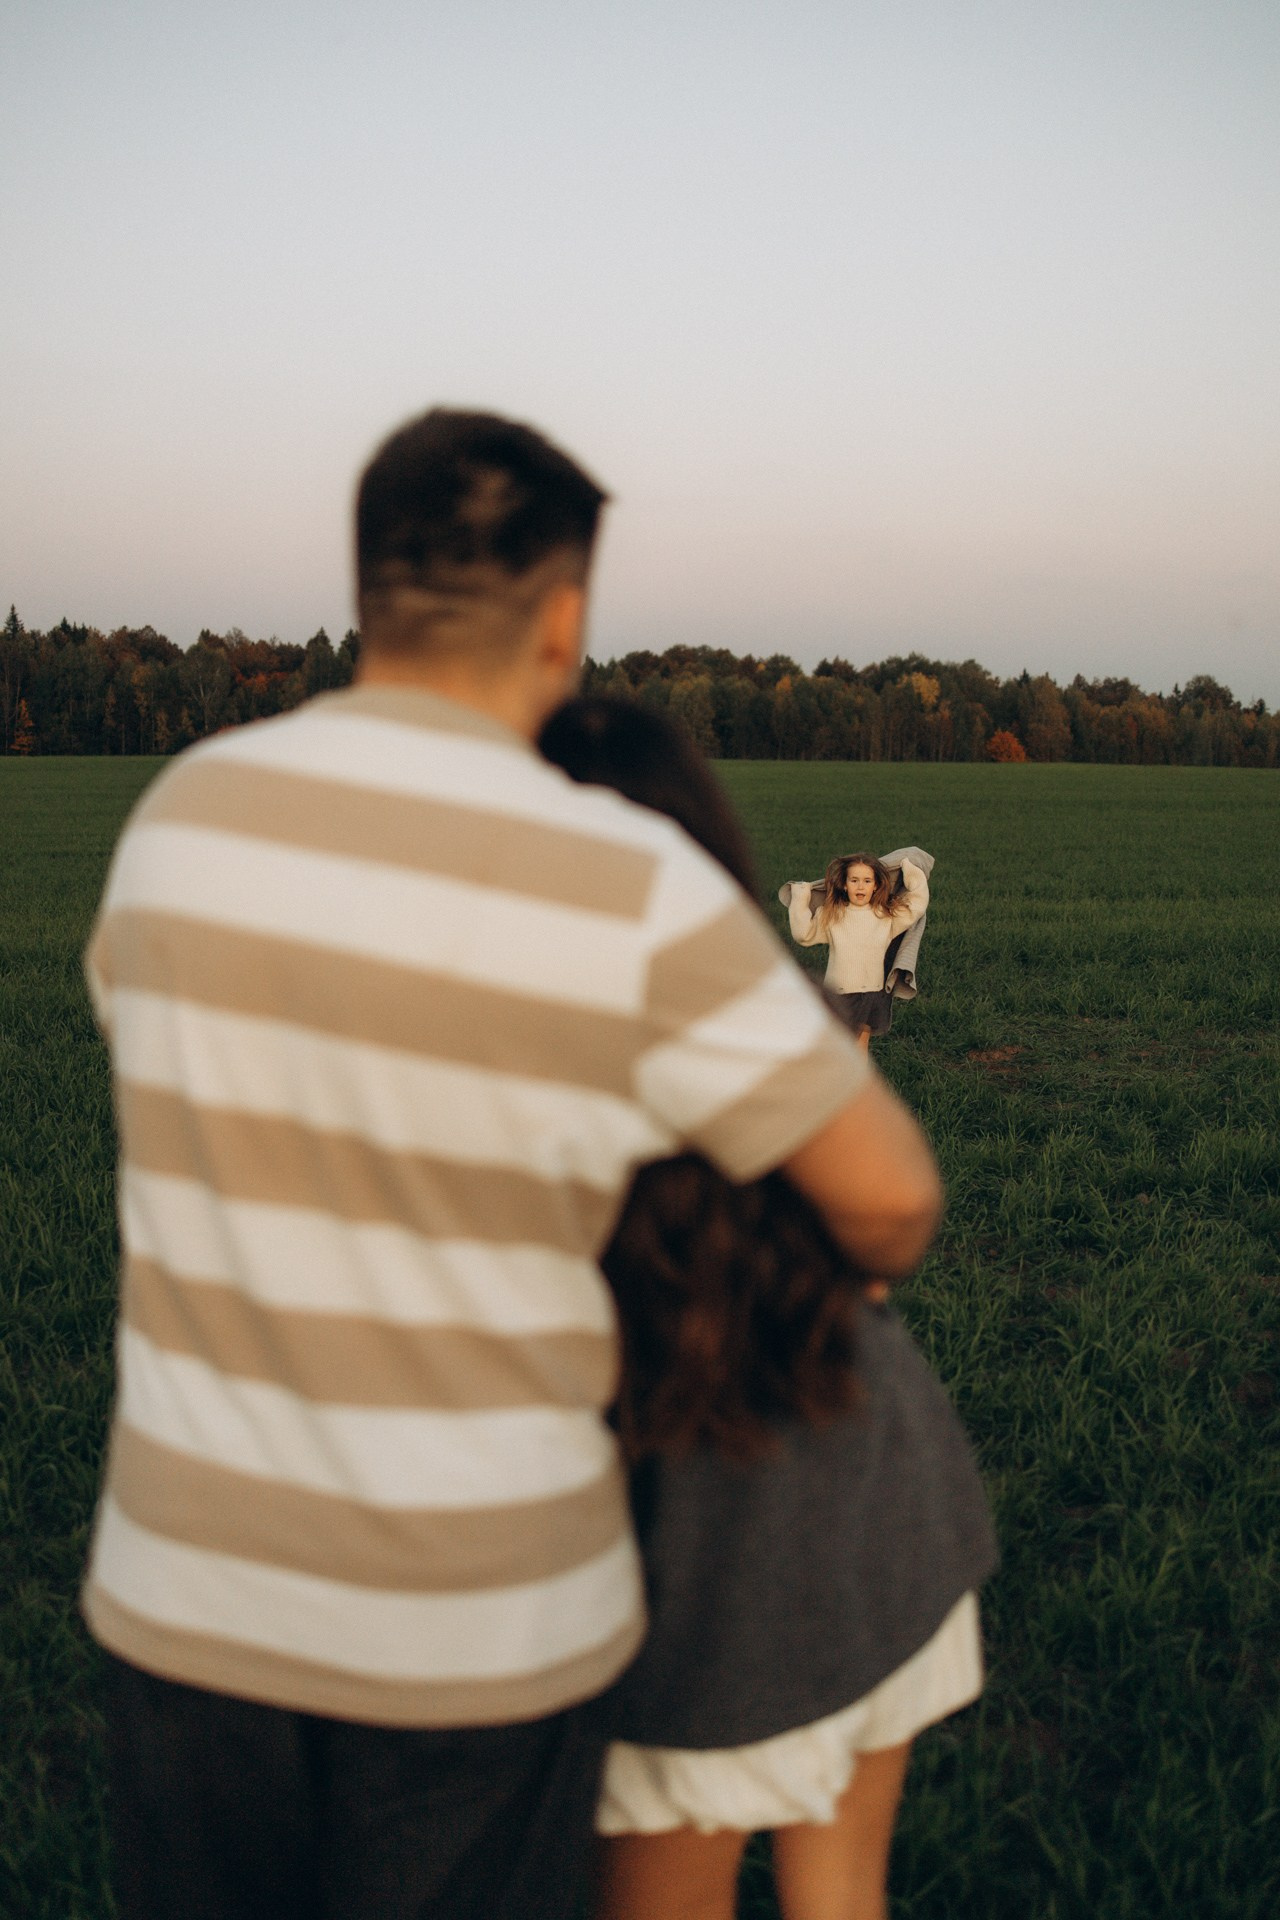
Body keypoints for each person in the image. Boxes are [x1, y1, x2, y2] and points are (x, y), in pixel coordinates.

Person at [81, 408, 942, 1920]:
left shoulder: (178, 821)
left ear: (369, 595)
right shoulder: (632, 885)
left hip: (184, 1601)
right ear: (565, 613)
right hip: (472, 1626)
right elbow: (889, 1199)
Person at [538, 698, 995, 1920]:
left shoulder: (505, 1053)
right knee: (838, 1895)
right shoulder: (748, 1020)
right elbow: (894, 1221)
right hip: (876, 1506)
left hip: (696, 1585)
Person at [786, 853, 929, 1047]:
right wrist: (800, 899)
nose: (860, 886)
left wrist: (911, 871)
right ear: (845, 885)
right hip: (841, 994)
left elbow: (917, 904)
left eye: (867, 881)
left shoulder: (886, 916)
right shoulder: (832, 914)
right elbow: (804, 934)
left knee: (861, 1045)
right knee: (839, 1047)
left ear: (876, 885)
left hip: (873, 992)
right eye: (854, 880)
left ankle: (858, 1076)